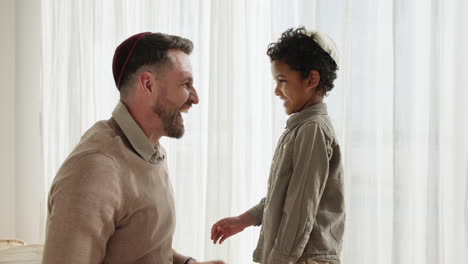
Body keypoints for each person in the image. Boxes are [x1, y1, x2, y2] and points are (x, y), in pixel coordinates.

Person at [42, 32, 223, 264]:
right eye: (185, 84)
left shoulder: (150, 150)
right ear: (148, 84)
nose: (195, 98)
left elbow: (141, 247)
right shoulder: (96, 168)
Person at [211, 27, 345, 264]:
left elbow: (300, 210)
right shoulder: (299, 129)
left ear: (311, 79)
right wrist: (244, 220)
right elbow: (284, 197)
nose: (276, 91)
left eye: (282, 81)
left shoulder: (312, 130)